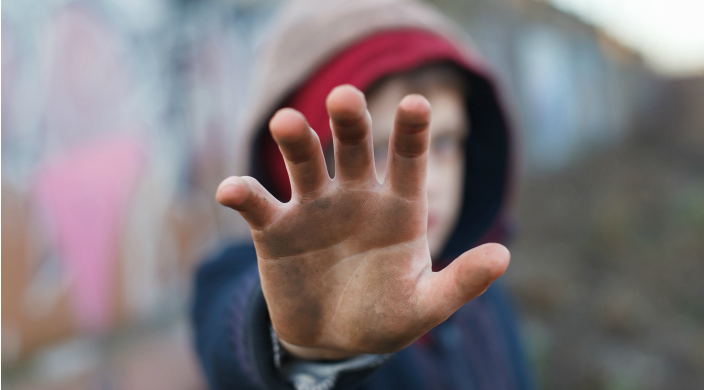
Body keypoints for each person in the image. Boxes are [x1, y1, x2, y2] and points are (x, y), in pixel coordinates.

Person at [192, 0, 533, 389]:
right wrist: (300, 346)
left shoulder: (481, 292)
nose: (428, 183)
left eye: (443, 143)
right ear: (292, 166)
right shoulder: (227, 278)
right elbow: (232, 339)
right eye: (373, 150)